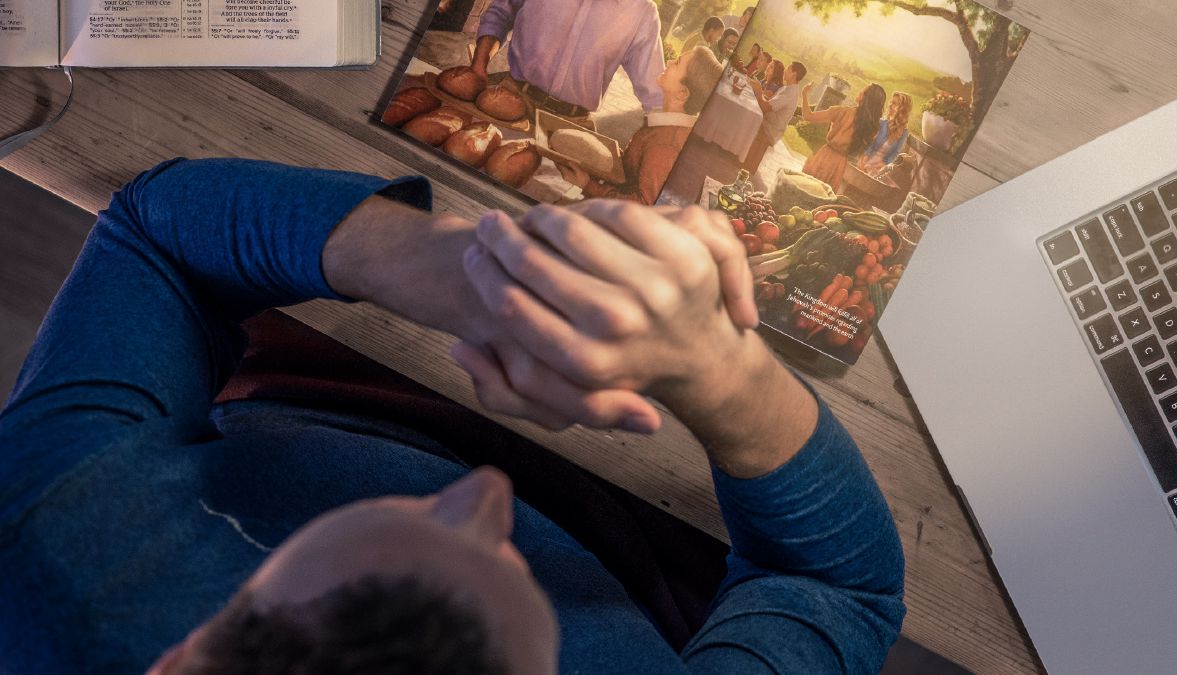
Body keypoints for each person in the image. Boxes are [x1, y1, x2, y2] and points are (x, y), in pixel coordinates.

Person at [0, 157, 906, 673]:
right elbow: (841, 589)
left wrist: (473, 275)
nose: (485, 493)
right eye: (502, 598)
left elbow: (154, 234)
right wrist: (716, 364)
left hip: (333, 371)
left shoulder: (51, 547)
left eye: (361, 570)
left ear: (179, 662)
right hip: (671, 526)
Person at [559, 46, 723, 205]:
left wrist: (588, 185)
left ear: (682, 94)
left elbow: (643, 204)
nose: (671, 61)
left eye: (677, 63)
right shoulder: (667, 126)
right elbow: (636, 169)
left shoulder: (665, 144)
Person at [470, 0, 665, 121]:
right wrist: (478, 66)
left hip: (572, 125)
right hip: (509, 98)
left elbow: (656, 93)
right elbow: (500, 14)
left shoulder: (643, 12)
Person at [800, 81, 887, 192]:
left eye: (863, 92)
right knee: (822, 195)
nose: (859, 92)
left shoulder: (843, 112)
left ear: (866, 99)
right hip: (839, 165)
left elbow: (808, 116)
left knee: (806, 188)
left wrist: (804, 94)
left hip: (824, 157)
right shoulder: (871, 128)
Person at [742, 60, 808, 174]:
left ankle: (741, 160)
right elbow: (769, 103)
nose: (785, 71)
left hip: (769, 130)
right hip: (767, 123)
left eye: (788, 68)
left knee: (744, 117)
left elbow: (765, 108)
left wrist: (758, 90)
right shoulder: (788, 89)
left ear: (794, 74)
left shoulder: (789, 93)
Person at [857, 91, 913, 176]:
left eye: (894, 103)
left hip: (880, 168)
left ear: (902, 108)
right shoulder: (881, 123)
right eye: (891, 102)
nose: (890, 105)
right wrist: (865, 159)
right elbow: (870, 144)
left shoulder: (904, 132)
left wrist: (882, 164)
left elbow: (895, 153)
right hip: (867, 158)